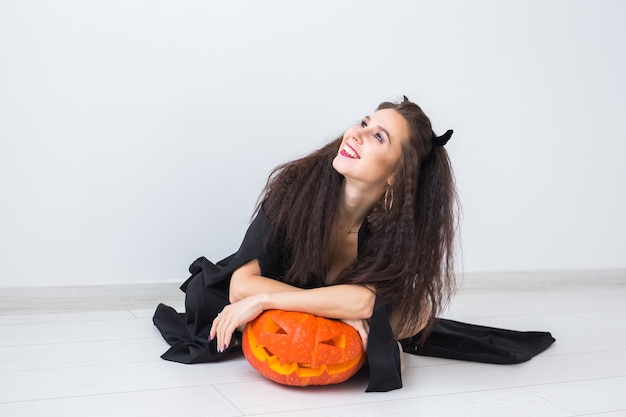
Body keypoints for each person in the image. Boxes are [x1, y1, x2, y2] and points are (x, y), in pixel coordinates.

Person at [153, 96, 554, 392]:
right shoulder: (295, 186)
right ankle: (339, 321)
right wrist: (261, 300)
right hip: (290, 297)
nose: (356, 134)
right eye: (363, 122)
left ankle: (338, 320)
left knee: (418, 314)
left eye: (377, 136)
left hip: (299, 299)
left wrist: (266, 300)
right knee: (383, 319)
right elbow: (242, 285)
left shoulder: (396, 226)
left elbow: (365, 301)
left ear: (397, 174)